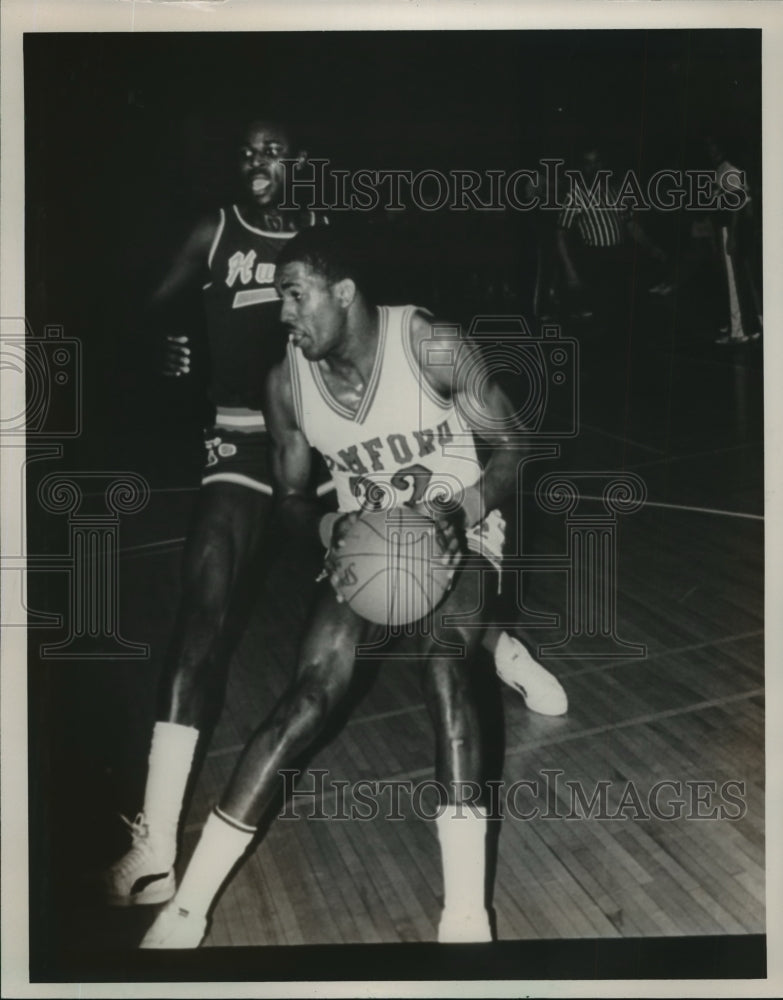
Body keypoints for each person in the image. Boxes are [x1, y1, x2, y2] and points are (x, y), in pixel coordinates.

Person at [102, 119, 567, 911]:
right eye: (246, 147)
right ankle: (163, 865)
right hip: (260, 438)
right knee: (230, 631)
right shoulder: (218, 236)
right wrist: (157, 345)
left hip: (414, 482)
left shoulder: (374, 285)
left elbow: (508, 446)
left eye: (273, 149)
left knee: (445, 633)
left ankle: (496, 648)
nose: (256, 159)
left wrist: (458, 513)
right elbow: (146, 309)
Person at [556, 146, 665, 331]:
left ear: (604, 164)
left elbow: (631, 226)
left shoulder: (615, 192)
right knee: (603, 313)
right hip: (596, 258)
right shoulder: (577, 195)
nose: (594, 167)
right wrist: (570, 271)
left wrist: (652, 247)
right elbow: (560, 234)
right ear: (584, 168)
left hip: (619, 255)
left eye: (597, 162)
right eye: (589, 164)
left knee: (624, 311)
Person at [706, 136, 763, 345]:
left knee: (733, 281)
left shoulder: (728, 170)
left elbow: (739, 205)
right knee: (741, 278)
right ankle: (752, 326)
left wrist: (732, 235)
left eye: (716, 148)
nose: (712, 152)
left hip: (729, 230)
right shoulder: (725, 170)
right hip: (728, 229)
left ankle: (739, 331)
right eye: (710, 149)